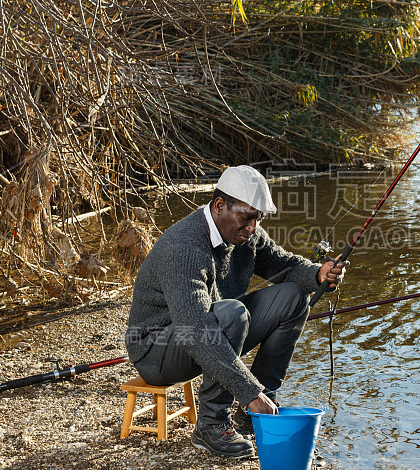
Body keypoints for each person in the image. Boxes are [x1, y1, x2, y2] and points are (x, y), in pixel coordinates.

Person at [125, 165, 347, 458]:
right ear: (220, 206)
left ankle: (261, 408)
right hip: (155, 351)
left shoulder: (245, 235)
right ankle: (212, 425)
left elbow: (286, 267)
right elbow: (199, 335)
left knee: (293, 297)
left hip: (206, 329)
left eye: (258, 219)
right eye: (246, 219)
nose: (253, 228)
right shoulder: (185, 248)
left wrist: (319, 273)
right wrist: (248, 393)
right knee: (232, 314)